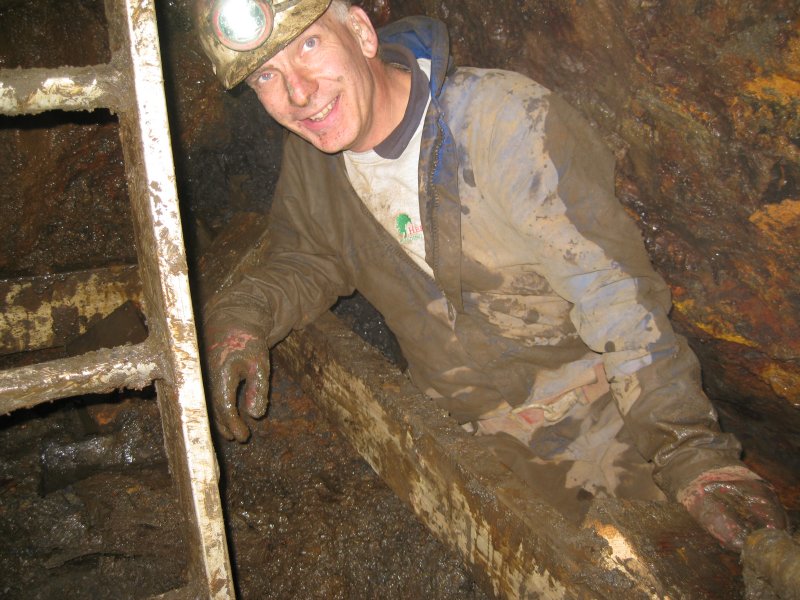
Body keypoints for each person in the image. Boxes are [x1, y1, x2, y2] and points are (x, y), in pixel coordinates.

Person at [194, 0, 788, 552]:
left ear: (360, 32)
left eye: (309, 45)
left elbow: (613, 295)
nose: (298, 92)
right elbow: (308, 258)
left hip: (604, 420)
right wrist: (240, 319)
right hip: (467, 441)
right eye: (266, 76)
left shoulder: (503, 121)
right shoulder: (314, 161)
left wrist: (689, 452)